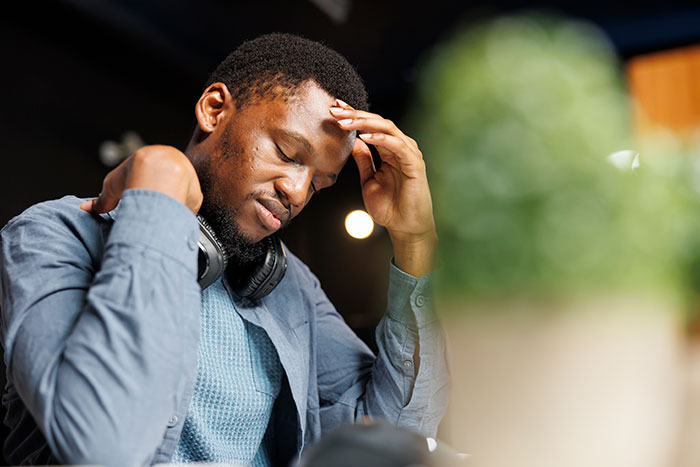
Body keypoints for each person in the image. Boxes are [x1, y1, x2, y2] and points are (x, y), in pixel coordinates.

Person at [0, 33, 449, 466]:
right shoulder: (53, 234)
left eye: (317, 183)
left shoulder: (292, 286)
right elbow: (103, 446)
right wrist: (161, 189)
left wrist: (415, 242)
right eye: (288, 153)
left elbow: (394, 437)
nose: (296, 191)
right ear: (214, 110)